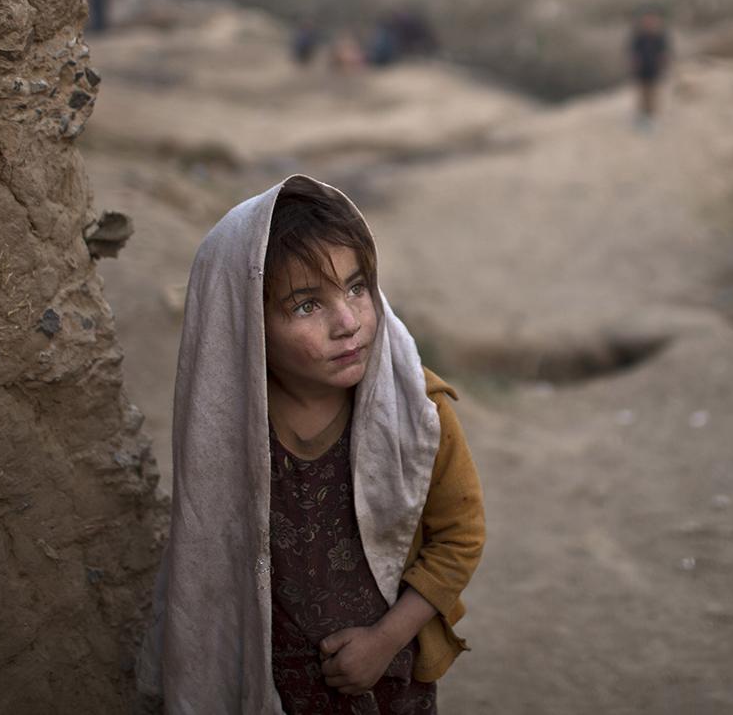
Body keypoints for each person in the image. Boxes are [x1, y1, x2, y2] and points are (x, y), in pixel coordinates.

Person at [137, 175, 486, 714]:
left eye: (356, 287)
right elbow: (210, 557)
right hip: (269, 683)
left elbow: (459, 537)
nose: (348, 323)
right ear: (247, 323)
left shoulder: (420, 413)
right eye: (305, 306)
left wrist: (386, 639)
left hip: (385, 681)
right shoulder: (226, 431)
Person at [627, 9, 672, 129]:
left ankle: (651, 117)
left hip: (654, 71)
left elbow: (664, 55)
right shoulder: (639, 37)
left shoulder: (660, 37)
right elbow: (633, 54)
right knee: (642, 95)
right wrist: (634, 66)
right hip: (642, 72)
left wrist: (663, 67)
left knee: (653, 95)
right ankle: (642, 117)